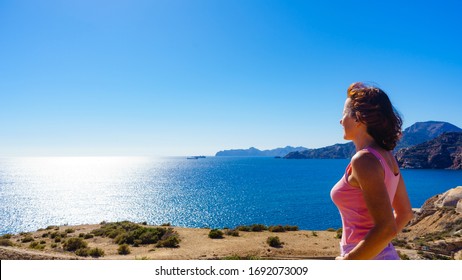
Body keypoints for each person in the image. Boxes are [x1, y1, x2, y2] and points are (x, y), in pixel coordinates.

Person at [331, 82, 414, 260]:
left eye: (344, 114)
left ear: (359, 118)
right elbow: (405, 212)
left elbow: (386, 228)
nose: (340, 120)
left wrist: (349, 262)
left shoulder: (364, 160)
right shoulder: (387, 157)